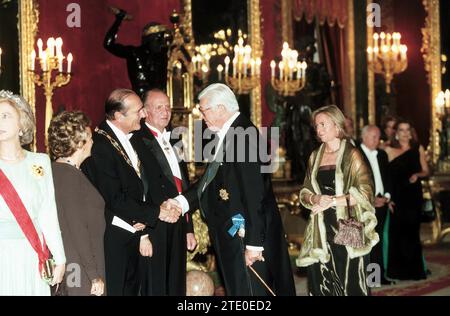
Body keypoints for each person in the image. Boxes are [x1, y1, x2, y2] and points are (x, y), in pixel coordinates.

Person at [167, 83, 296, 296]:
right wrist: (180, 203)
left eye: (204, 110)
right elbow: (207, 182)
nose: (202, 116)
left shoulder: (243, 136)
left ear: (220, 109)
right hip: (232, 235)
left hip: (246, 238)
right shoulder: (230, 134)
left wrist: (254, 244)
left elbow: (256, 194)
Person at [81, 89, 181, 295]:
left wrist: (160, 207)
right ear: (119, 116)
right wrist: (156, 213)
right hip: (113, 238)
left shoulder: (132, 137)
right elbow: (115, 199)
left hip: (134, 231)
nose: (143, 115)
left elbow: (147, 181)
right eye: (138, 111)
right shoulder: (100, 146)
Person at [296, 105, 379, 296]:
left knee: (350, 279)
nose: (319, 130)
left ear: (337, 126)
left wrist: (332, 201)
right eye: (317, 125)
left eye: (324, 124)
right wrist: (316, 198)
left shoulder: (352, 154)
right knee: (322, 279)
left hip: (348, 224)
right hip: (321, 226)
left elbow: (366, 193)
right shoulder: (315, 156)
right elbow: (304, 191)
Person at [131, 89, 197, 295]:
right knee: (156, 285)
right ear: (145, 111)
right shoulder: (136, 140)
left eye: (167, 107)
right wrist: (142, 234)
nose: (165, 112)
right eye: (159, 107)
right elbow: (138, 188)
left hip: (178, 221)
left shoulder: (176, 139)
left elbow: (183, 186)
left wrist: (188, 227)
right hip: (154, 223)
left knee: (176, 283)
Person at [0, 90, 65, 295]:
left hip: (32, 254)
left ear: (22, 123)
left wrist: (60, 258)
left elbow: (48, 213)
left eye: (5, 116)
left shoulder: (40, 162)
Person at [48, 111, 105, 296]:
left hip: (75, 265)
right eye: (89, 137)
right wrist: (94, 275)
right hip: (79, 269)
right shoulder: (69, 177)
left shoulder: (58, 171)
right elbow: (77, 228)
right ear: (79, 143)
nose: (93, 142)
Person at [384, 119, 429, 280]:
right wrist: (387, 199)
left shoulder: (418, 148)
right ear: (396, 133)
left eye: (407, 129)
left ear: (411, 132)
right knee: (397, 234)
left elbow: (426, 171)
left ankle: (415, 272)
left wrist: (418, 175)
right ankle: (397, 272)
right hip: (396, 197)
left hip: (413, 196)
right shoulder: (388, 150)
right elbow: (385, 177)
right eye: (401, 130)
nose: (404, 133)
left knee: (412, 233)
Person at [104, 7, 171, 96]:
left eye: (163, 39)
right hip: (140, 100)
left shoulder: (163, 54)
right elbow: (108, 44)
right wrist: (119, 19)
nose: (162, 43)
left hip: (159, 102)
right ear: (149, 39)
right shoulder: (134, 53)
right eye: (158, 39)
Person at [358, 125, 392, 284]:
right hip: (365, 204)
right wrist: (371, 199)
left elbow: (388, 178)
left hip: (382, 202)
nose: (377, 140)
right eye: (374, 137)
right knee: (365, 242)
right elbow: (355, 183)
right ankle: (364, 278)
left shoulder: (382, 155)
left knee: (377, 242)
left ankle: (377, 278)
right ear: (364, 137)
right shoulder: (355, 155)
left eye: (378, 137)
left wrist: (386, 196)